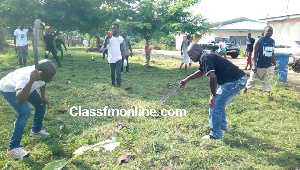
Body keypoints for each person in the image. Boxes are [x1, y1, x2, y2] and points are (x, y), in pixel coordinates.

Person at [180, 44, 247, 140]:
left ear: (197, 50)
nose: (190, 58)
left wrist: (213, 95)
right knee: (219, 103)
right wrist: (186, 79)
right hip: (237, 79)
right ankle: (221, 127)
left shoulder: (205, 57)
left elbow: (212, 77)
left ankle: (215, 135)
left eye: (191, 55)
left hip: (234, 81)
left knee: (214, 105)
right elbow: (201, 72)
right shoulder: (206, 55)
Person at [0, 59, 56, 158]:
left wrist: (42, 96)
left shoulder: (41, 75)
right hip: (10, 89)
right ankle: (12, 148)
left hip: (28, 85)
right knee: (24, 112)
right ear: (40, 74)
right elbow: (20, 100)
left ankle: (36, 131)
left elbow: (43, 82)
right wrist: (31, 81)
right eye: (50, 76)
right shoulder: (25, 78)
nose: (52, 79)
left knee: (40, 103)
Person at [243, 26, 276, 96]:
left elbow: (272, 53)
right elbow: (254, 52)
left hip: (269, 65)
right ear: (264, 32)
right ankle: (245, 88)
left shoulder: (272, 41)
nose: (270, 33)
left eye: (271, 32)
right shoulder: (259, 40)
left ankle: (267, 95)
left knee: (268, 80)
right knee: (253, 80)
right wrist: (254, 65)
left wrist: (274, 64)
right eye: (268, 31)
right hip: (259, 65)